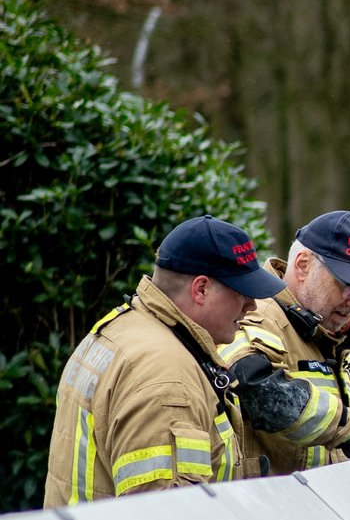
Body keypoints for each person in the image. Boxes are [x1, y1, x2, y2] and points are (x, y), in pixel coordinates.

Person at [46, 215, 283, 504]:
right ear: (201, 289)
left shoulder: (123, 328)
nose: (252, 305)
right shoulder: (169, 381)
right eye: (242, 293)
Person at [217, 210, 350, 477]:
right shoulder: (256, 315)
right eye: (349, 286)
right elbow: (260, 390)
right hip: (262, 508)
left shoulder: (319, 329)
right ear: (302, 265)